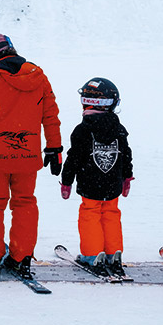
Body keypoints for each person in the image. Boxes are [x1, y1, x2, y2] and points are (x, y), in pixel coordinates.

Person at [0, 34, 61, 281]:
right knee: (25, 202)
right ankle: (22, 257)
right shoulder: (39, 77)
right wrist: (55, 148)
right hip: (27, 156)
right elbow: (50, 116)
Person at [60, 77, 133, 278]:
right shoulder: (119, 129)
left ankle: (92, 255)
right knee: (111, 214)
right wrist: (127, 176)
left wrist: (66, 181)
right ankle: (113, 253)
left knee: (90, 213)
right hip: (112, 184)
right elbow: (126, 154)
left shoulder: (83, 130)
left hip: (90, 182)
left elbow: (73, 158)